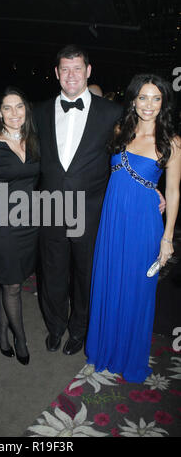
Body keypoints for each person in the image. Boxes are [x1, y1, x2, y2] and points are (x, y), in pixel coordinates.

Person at [85, 74, 181, 383]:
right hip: (112, 221)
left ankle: (128, 357)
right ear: (133, 100)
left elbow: (175, 192)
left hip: (143, 226)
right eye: (143, 97)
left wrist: (167, 239)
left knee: (136, 291)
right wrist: (148, 187)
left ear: (163, 102)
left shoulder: (172, 142)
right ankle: (102, 350)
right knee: (109, 283)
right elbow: (115, 173)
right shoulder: (120, 130)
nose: (149, 105)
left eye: (156, 98)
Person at [33, 44, 123, 356]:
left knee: (86, 275)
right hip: (51, 208)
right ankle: (55, 326)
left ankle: (79, 329)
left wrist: (152, 188)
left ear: (88, 71)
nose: (71, 75)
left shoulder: (112, 112)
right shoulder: (39, 112)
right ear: (57, 73)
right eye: (65, 69)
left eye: (77, 68)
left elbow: (128, 157)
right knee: (52, 271)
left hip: (91, 209)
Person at [0, 86, 40, 365]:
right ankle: (21, 339)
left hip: (29, 223)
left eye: (20, 107)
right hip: (0, 225)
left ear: (27, 110)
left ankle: (1, 332)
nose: (15, 113)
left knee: (9, 283)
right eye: (7, 108)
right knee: (13, 285)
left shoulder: (35, 140)